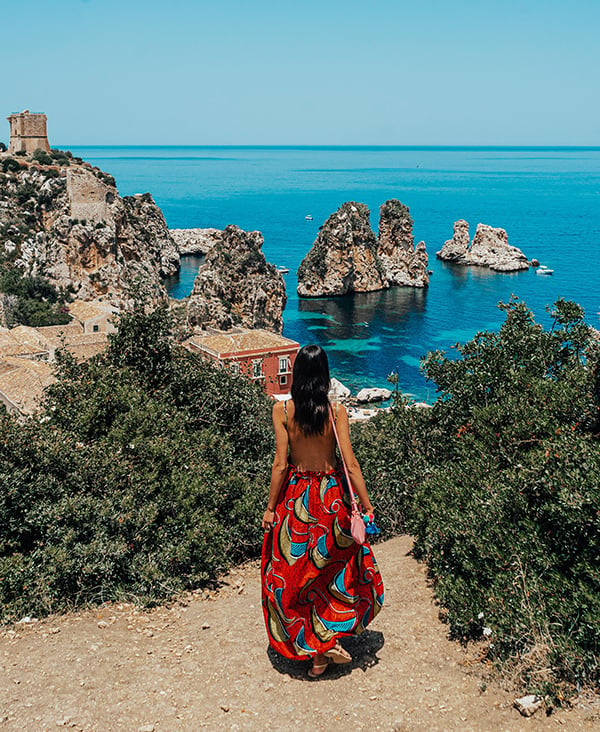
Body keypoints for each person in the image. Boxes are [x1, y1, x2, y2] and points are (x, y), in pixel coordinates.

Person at [261, 344, 384, 678]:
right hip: (332, 500)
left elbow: (280, 464)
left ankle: (314, 648)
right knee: (333, 574)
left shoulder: (282, 412)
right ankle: (325, 644)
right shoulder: (336, 412)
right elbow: (351, 463)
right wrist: (368, 505)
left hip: (296, 501)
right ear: (326, 376)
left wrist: (271, 508)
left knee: (297, 577)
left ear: (297, 374)